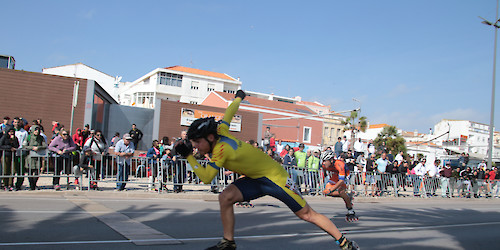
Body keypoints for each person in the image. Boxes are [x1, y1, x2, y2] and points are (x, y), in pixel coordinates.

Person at [174, 90, 359, 250]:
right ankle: (228, 243)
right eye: (194, 144)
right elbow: (229, 112)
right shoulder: (221, 131)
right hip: (256, 178)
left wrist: (189, 156)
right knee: (225, 197)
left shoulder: (221, 151)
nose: (196, 146)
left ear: (210, 137)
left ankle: (344, 243)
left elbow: (206, 178)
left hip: (275, 179)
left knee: (307, 214)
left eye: (198, 142)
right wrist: (238, 98)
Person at [321, 152, 358, 222]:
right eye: (323, 161)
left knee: (341, 191)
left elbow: (341, 180)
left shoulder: (339, 164)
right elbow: (324, 171)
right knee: (326, 192)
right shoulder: (323, 165)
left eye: (325, 161)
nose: (324, 163)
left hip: (344, 175)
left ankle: (351, 210)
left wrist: (332, 189)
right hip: (335, 175)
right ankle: (347, 196)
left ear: (331, 160)